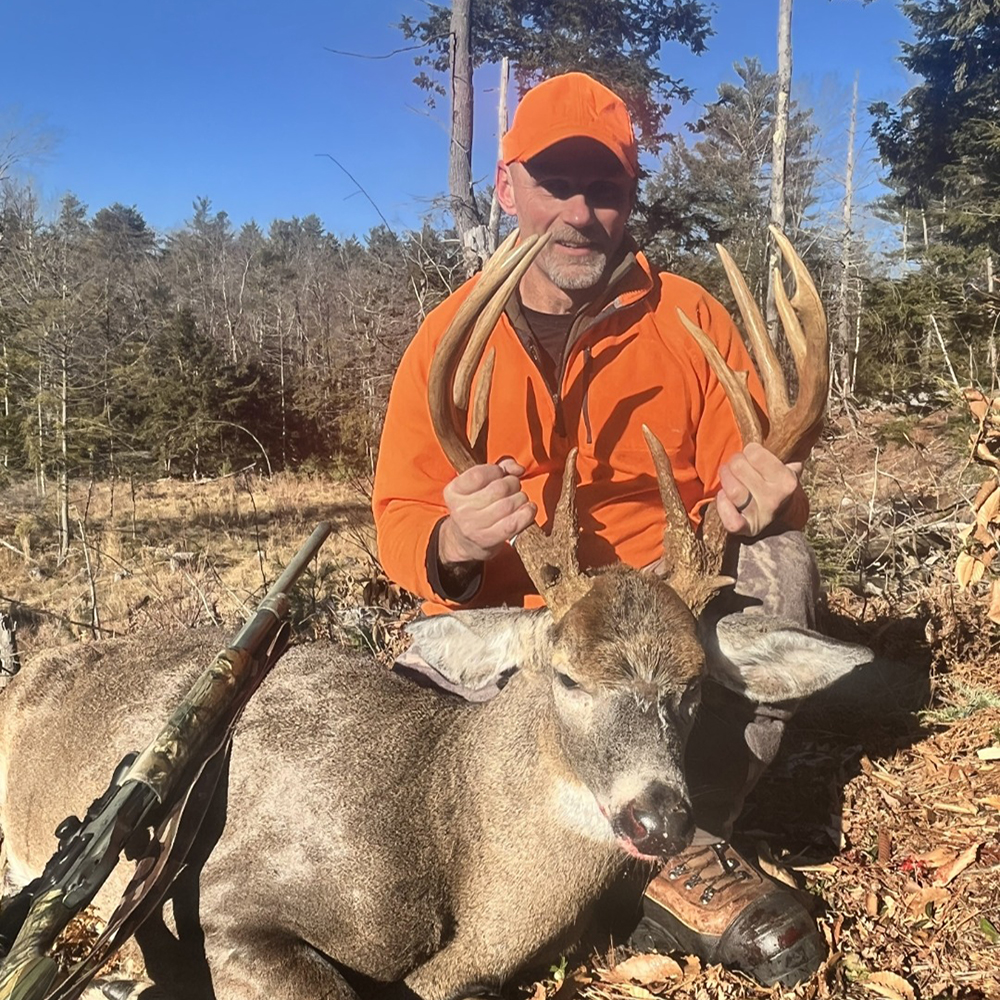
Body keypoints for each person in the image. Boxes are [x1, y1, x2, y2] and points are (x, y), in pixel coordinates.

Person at [372, 72, 826, 987]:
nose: (580, 213)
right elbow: (401, 520)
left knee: (782, 555)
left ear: (629, 197)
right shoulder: (450, 339)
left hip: (658, 615)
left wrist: (764, 499)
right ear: (508, 188)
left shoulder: (689, 319)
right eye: (555, 185)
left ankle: (690, 836)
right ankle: (629, 865)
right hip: (529, 625)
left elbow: (749, 484)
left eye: (606, 188)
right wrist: (457, 541)